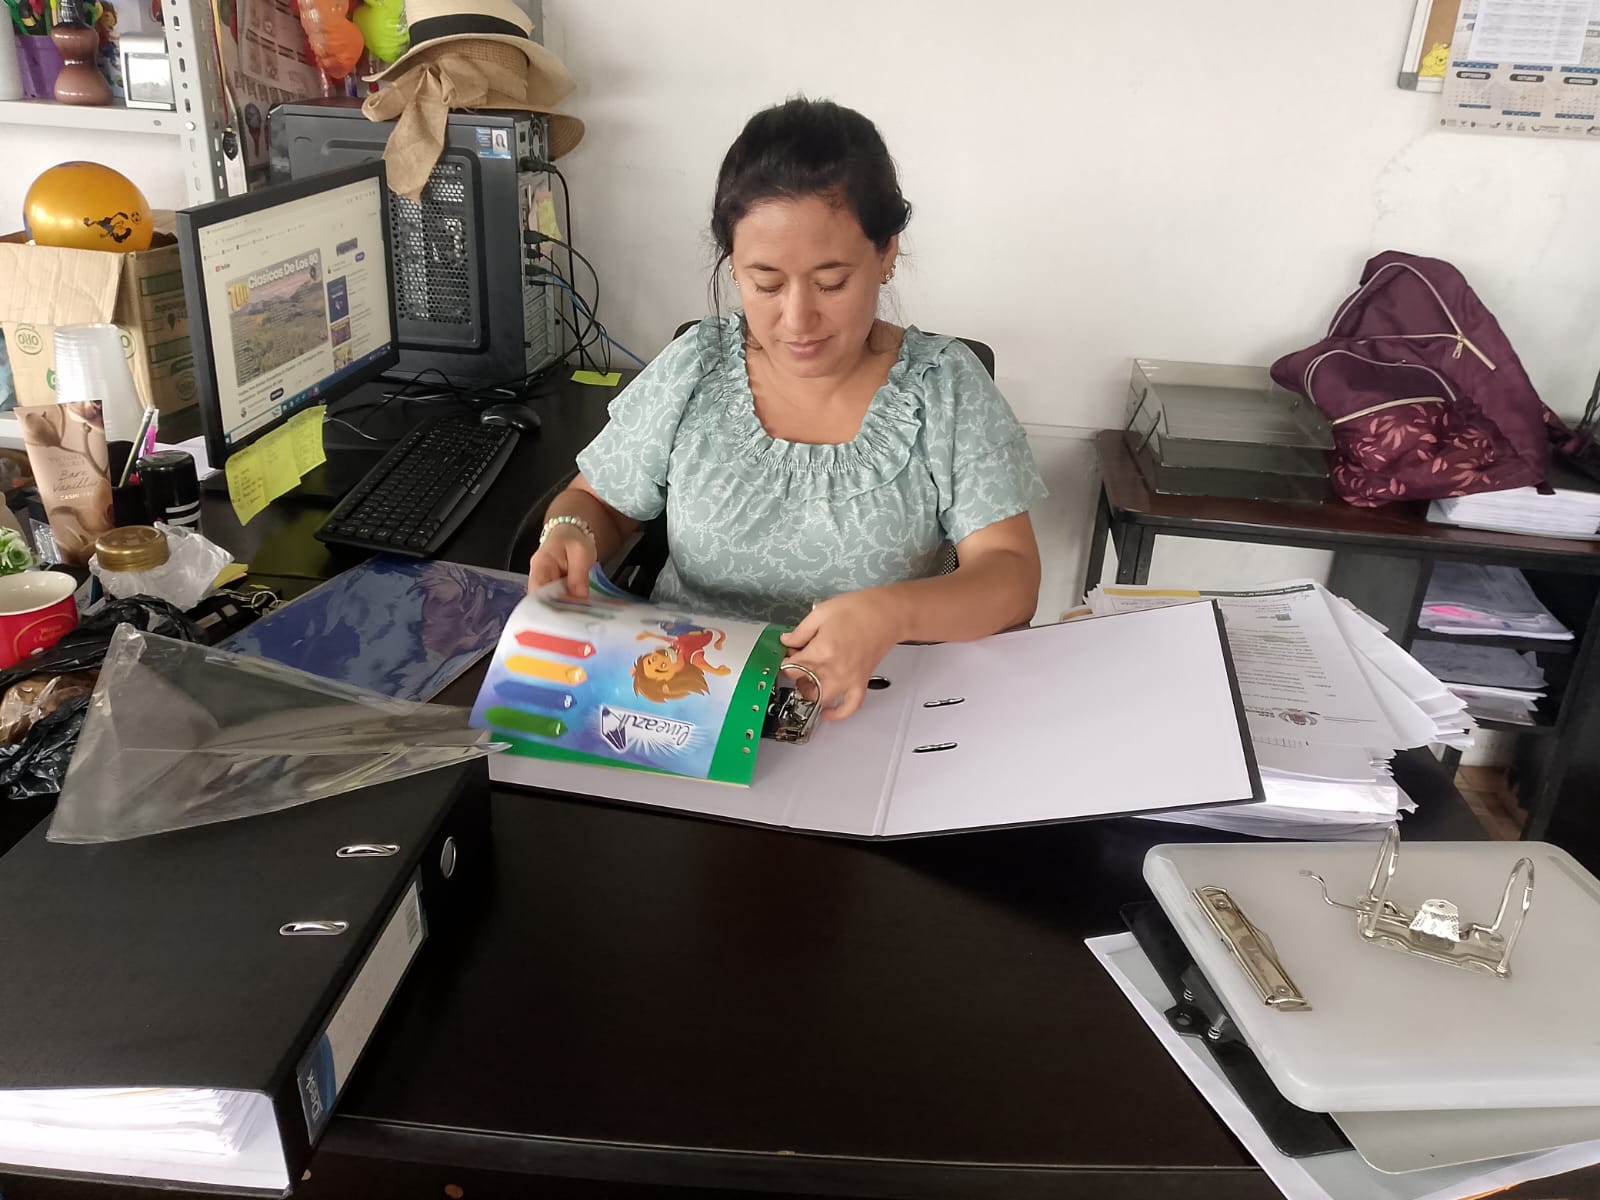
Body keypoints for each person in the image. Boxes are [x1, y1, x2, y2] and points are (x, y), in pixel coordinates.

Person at [528, 97, 1046, 721]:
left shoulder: (943, 385)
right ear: (733, 265)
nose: (798, 319)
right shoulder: (697, 366)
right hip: (681, 703)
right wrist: (570, 532)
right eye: (766, 284)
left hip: (867, 709)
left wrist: (894, 612)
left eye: (831, 283)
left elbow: (1011, 576)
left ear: (886, 254)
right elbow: (597, 501)